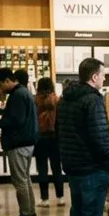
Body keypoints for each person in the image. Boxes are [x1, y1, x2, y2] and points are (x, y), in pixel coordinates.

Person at [57, 58, 109, 216]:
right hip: (92, 168)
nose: (104, 78)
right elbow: (100, 136)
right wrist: (108, 162)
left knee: (77, 215)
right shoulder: (93, 100)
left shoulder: (66, 99)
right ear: (94, 77)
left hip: (73, 167)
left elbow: (59, 132)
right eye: (103, 74)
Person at [0, 67, 39, 216]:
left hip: (19, 144)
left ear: (8, 81)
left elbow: (16, 121)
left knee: (20, 182)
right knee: (25, 180)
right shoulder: (23, 93)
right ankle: (30, 213)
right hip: (26, 143)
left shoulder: (17, 95)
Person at [34, 78, 64, 207]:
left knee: (42, 169)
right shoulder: (57, 100)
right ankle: (60, 197)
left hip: (40, 138)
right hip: (55, 137)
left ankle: (45, 199)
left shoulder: (36, 100)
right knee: (57, 168)